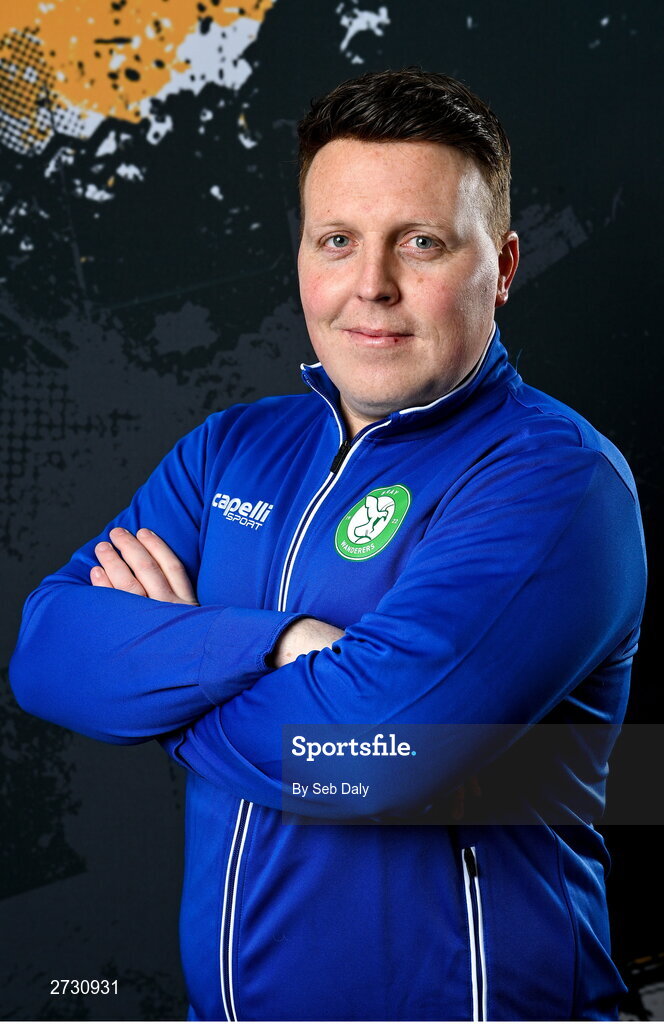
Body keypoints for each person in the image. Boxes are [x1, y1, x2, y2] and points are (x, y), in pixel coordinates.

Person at [10, 68, 646, 1022]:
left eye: (421, 243)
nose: (372, 286)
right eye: (338, 240)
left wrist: (164, 685)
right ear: (302, 255)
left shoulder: (557, 484)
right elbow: (47, 653)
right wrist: (270, 644)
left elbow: (375, 757)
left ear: (504, 268)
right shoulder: (228, 452)